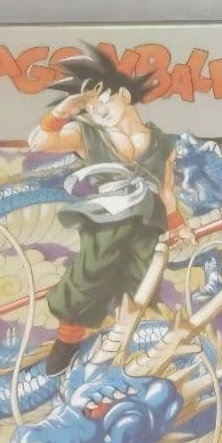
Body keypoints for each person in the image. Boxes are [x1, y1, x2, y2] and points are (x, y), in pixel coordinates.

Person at [28, 45, 196, 376]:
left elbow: (165, 190)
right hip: (108, 217)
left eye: (103, 100)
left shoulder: (162, 143)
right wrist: (65, 109)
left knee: (141, 285)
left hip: (149, 222)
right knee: (89, 276)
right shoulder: (87, 134)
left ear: (123, 95)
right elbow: (39, 142)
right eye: (90, 107)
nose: (99, 111)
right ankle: (67, 345)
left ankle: (120, 354)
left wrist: (178, 225)